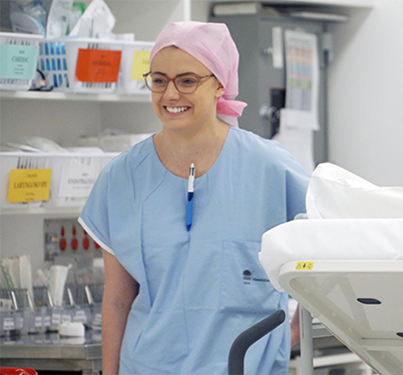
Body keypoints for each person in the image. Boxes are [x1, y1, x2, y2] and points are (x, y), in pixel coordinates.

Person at [78, 21, 309, 375]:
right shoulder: (122, 177)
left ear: (220, 84)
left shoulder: (269, 168)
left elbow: (329, 260)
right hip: (147, 366)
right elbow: (117, 300)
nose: (170, 95)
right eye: (158, 80)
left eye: (187, 80)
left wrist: (286, 338)